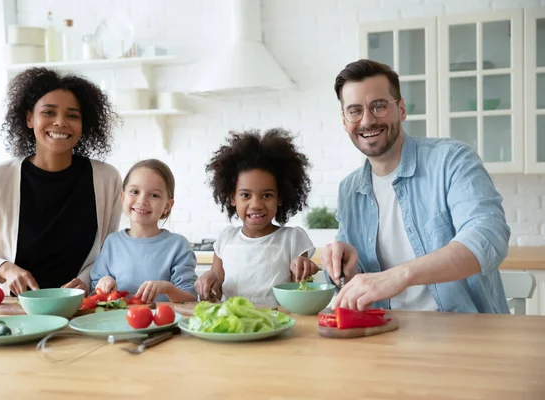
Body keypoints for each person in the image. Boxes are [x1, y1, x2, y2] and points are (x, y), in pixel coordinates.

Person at [322, 59, 510, 313]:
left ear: (401, 109)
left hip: (464, 335)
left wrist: (401, 275)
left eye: (379, 106)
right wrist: (346, 266)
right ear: (345, 121)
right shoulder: (349, 191)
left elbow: (487, 237)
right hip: (383, 335)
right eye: (354, 110)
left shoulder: (451, 160)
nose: (367, 120)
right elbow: (356, 285)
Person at [0, 67, 122, 295]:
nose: (60, 122)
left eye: (72, 115)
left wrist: (86, 280)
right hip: (13, 308)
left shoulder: (106, 178)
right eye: (48, 112)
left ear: (84, 125)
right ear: (29, 118)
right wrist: (6, 269)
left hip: (81, 307)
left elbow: (109, 250)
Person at [195, 128, 318, 306]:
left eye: (267, 195)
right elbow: (216, 291)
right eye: (245, 195)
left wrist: (304, 269)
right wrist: (208, 284)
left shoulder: (293, 239)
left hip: (279, 323)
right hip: (236, 326)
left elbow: (300, 293)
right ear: (232, 198)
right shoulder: (225, 239)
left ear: (280, 197)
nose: (256, 204)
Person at [90, 159, 197, 303]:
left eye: (154, 195)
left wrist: (168, 289)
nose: (142, 200)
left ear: (167, 206)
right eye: (135, 192)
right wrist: (104, 281)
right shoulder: (112, 242)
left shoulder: (178, 245)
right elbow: (95, 290)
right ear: (123, 197)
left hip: (165, 324)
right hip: (119, 323)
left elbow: (190, 299)